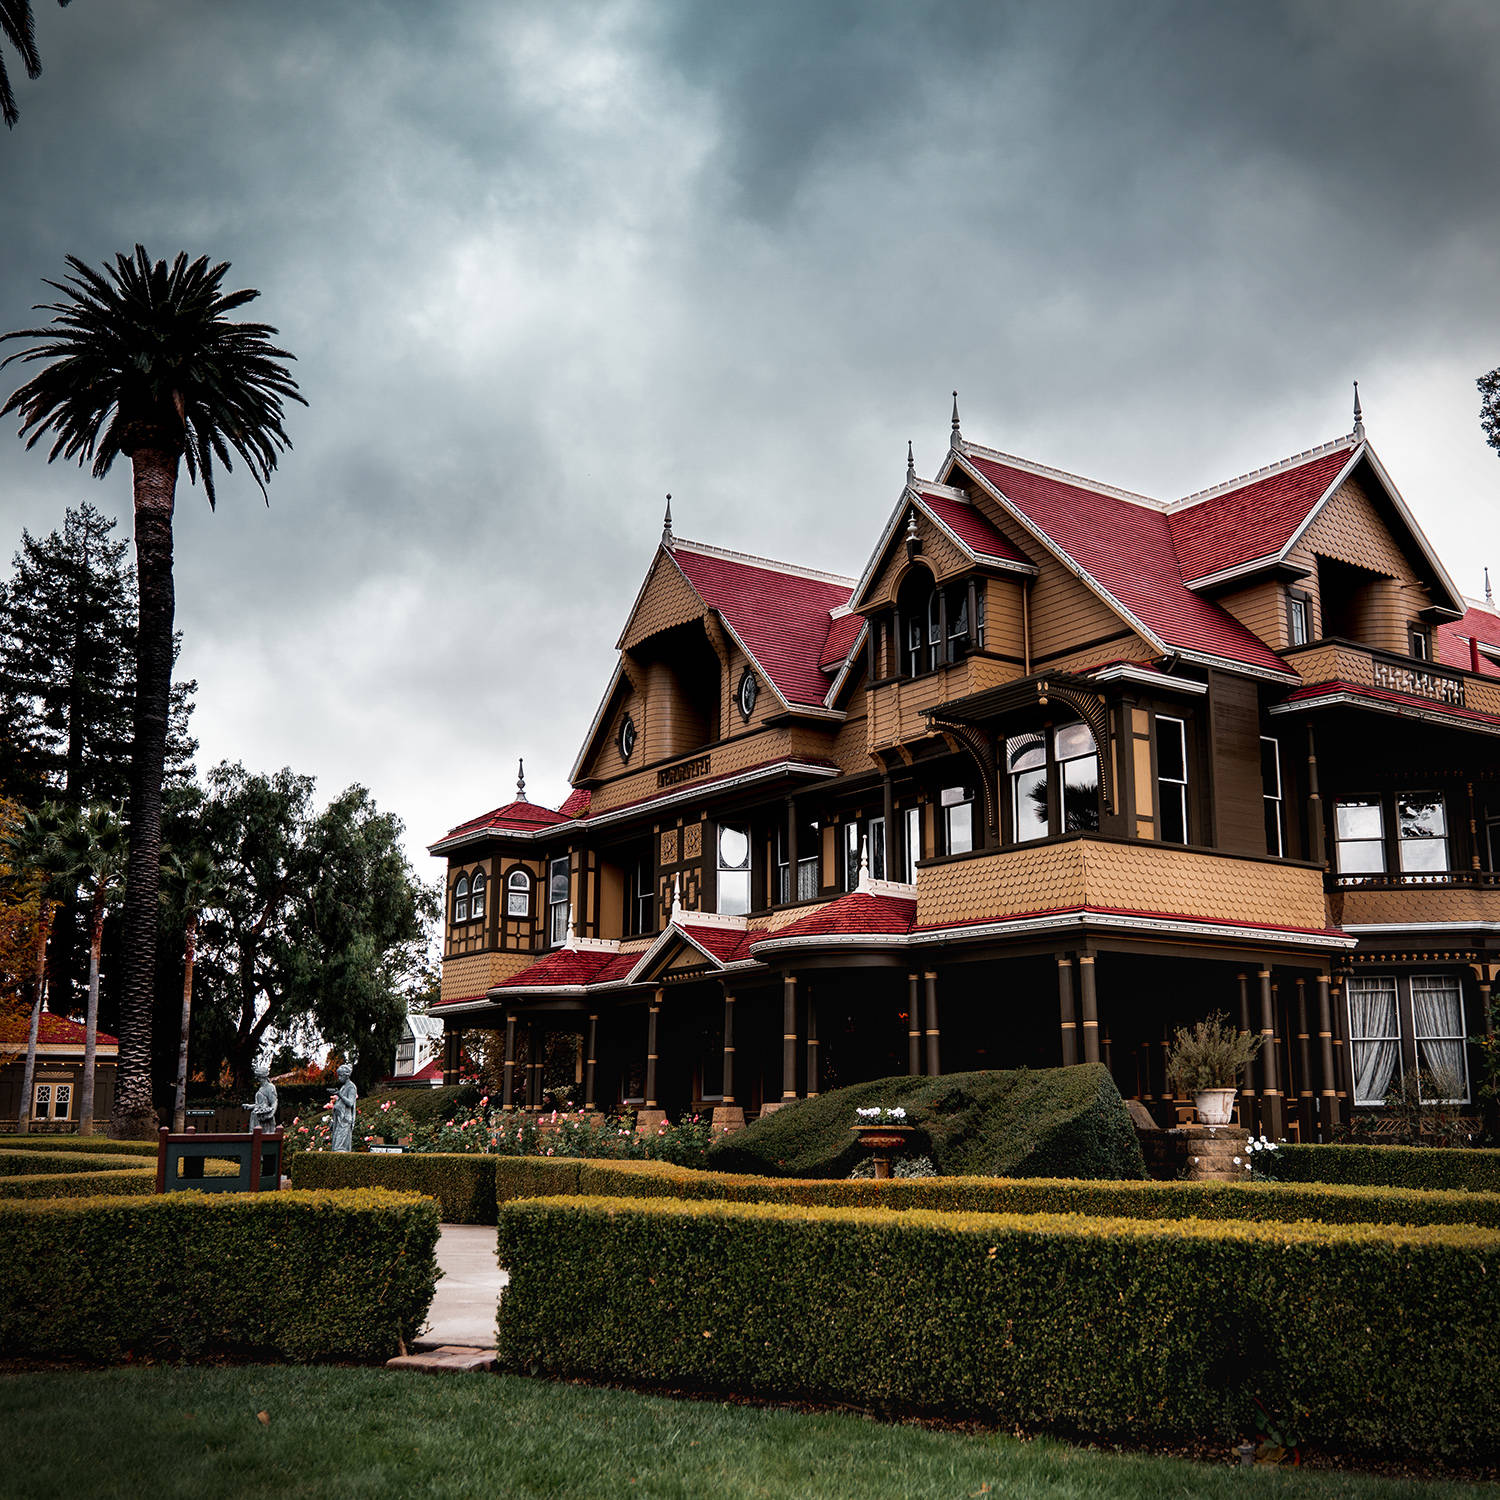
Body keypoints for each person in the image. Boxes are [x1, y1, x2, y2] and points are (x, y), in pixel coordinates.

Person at [330, 1063, 358, 1152]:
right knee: (335, 1146)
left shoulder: (351, 1087)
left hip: (345, 1120)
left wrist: (339, 1094)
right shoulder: (343, 1087)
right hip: (339, 1119)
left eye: (340, 1076)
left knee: (339, 1147)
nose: (339, 1078)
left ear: (346, 1075)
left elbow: (350, 1103)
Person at [247, 1064, 278, 1134]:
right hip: (257, 1116)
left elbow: (274, 1102)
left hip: (264, 1118)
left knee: (261, 1136)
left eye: (259, 1077)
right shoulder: (261, 1088)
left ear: (262, 1077)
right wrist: (250, 1106)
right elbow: (260, 1104)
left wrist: (270, 1115)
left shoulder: (270, 1087)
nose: (258, 1079)